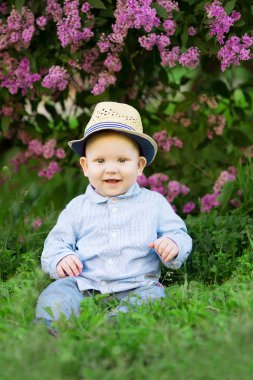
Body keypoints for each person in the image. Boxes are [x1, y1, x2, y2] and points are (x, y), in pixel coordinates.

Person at [35, 101, 192, 326]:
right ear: (85, 166)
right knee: (57, 292)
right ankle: (50, 329)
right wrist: (61, 258)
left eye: (122, 160)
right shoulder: (77, 208)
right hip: (84, 284)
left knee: (153, 298)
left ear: (139, 165)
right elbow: (56, 243)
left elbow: (178, 233)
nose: (111, 169)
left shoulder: (154, 203)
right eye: (100, 161)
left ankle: (117, 324)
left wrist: (172, 244)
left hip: (138, 285)